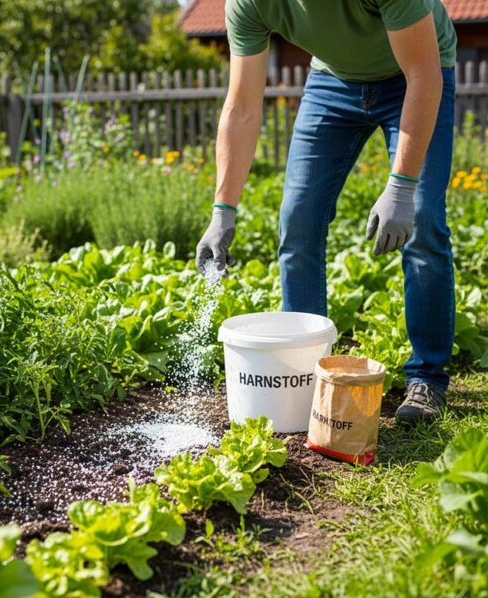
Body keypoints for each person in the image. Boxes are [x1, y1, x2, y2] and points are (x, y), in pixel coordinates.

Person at [195, 0, 457, 424]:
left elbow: (424, 75)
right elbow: (241, 107)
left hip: (417, 74)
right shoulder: (247, 3)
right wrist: (223, 208)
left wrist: (402, 185)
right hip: (332, 82)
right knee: (297, 223)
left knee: (423, 220)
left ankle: (426, 377)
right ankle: (305, 376)